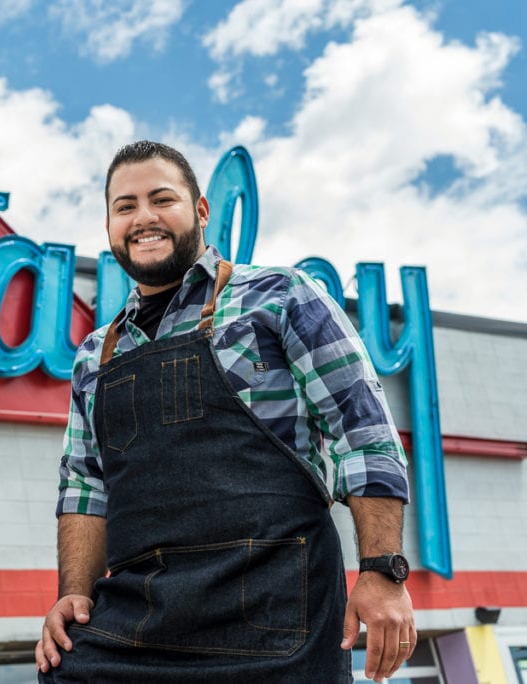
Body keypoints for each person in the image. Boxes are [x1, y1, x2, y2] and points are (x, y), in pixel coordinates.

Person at [35, 141, 415, 683]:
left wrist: (382, 570)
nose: (143, 217)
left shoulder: (280, 296)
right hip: (142, 614)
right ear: (110, 225)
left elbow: (362, 431)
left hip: (276, 607)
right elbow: (84, 486)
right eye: (125, 207)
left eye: (161, 199)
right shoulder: (96, 353)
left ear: (201, 210)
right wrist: (72, 593)